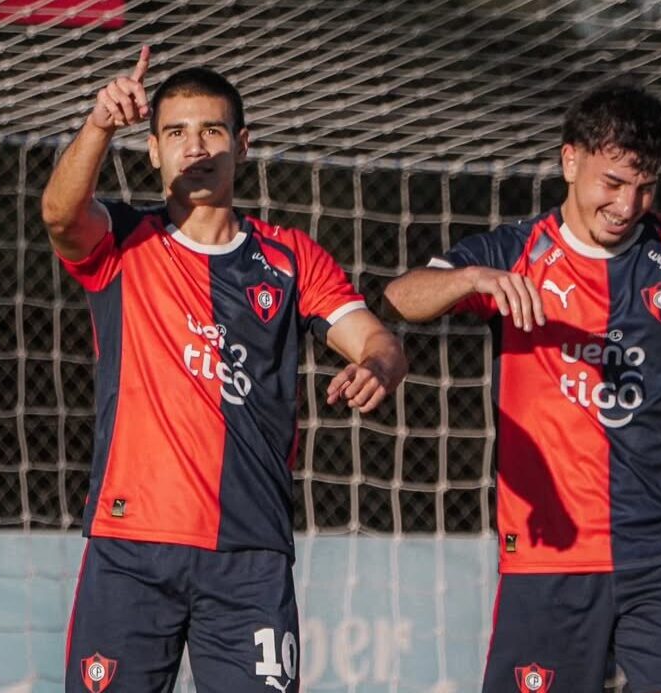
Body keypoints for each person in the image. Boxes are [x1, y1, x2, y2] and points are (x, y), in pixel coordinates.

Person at [384, 84, 661, 693]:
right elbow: (399, 298)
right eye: (613, 183)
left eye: (645, 185)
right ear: (570, 161)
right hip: (551, 554)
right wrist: (472, 278)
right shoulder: (513, 251)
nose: (628, 205)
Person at [42, 47, 407, 692]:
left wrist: (378, 364)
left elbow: (375, 340)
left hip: (250, 556)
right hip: (132, 547)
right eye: (176, 133)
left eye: (211, 130)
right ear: (153, 150)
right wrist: (99, 125)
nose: (195, 147)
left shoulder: (292, 258)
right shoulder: (124, 243)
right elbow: (60, 216)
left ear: (241, 146)